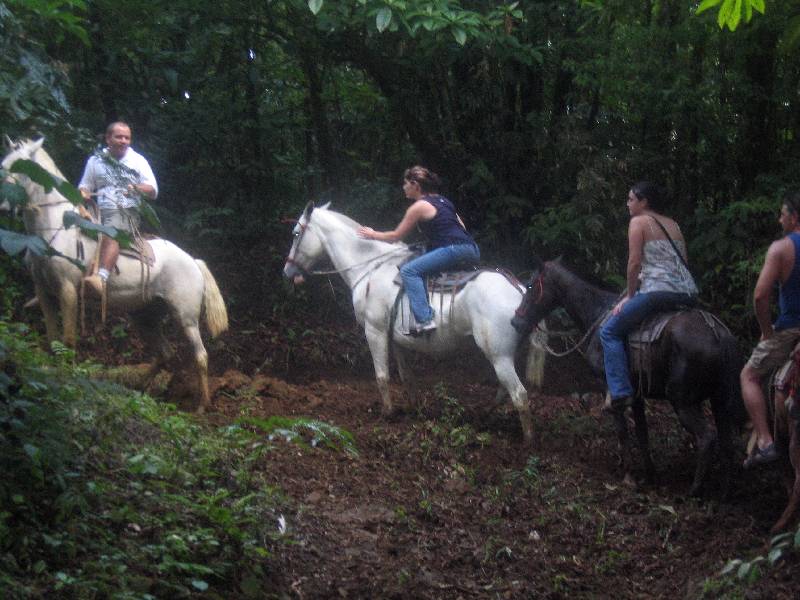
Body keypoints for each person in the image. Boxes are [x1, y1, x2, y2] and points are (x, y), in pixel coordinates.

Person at [599, 182, 699, 412]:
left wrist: (630, 295)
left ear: (644, 202)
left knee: (609, 331)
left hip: (658, 291)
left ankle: (621, 391)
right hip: (688, 292)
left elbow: (634, 263)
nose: (628, 204)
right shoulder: (673, 224)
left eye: (631, 199)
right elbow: (679, 261)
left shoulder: (638, 222)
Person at [357, 165, 479, 334]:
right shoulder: (444, 201)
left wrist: (372, 234)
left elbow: (395, 236)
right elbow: (461, 226)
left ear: (415, 185)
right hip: (472, 249)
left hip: (452, 250)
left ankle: (424, 320)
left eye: (406, 183)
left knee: (409, 271)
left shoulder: (419, 206)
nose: (403, 187)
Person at [739, 192, 800, 469]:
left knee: (749, 375)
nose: (779, 219)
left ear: (794, 217)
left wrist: (766, 332)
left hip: (791, 330)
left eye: (782, 214)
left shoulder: (781, 248)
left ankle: (765, 442)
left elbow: (761, 297)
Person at [78, 121, 158, 295]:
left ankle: (101, 278)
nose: (123, 141)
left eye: (127, 138)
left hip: (125, 210)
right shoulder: (95, 160)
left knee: (112, 231)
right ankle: (55, 282)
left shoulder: (138, 160)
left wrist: (136, 188)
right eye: (119, 137)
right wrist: (83, 193)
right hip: (98, 210)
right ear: (108, 138)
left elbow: (152, 189)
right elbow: (85, 185)